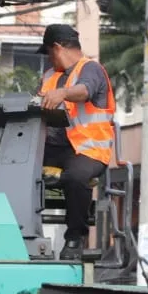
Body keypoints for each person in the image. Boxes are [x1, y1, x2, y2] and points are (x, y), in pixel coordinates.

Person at [37, 23, 116, 261]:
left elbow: (85, 91)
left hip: (89, 149)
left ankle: (75, 238)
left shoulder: (91, 69)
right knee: (17, 164)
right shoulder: (50, 76)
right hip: (55, 147)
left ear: (58, 48)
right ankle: (22, 232)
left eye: (49, 53)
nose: (49, 60)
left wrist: (62, 93)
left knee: (76, 177)